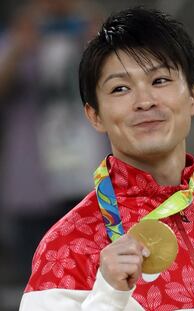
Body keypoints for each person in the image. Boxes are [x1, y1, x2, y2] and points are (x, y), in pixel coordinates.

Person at [19, 6, 194, 311]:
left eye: (160, 81)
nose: (145, 102)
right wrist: (107, 294)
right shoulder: (67, 246)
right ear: (94, 116)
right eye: (120, 88)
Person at [0, 0, 107, 281]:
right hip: (33, 186)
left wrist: (100, 41)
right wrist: (19, 47)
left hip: (89, 181)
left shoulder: (93, 33)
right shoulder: (19, 37)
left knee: (91, 280)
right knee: (36, 280)